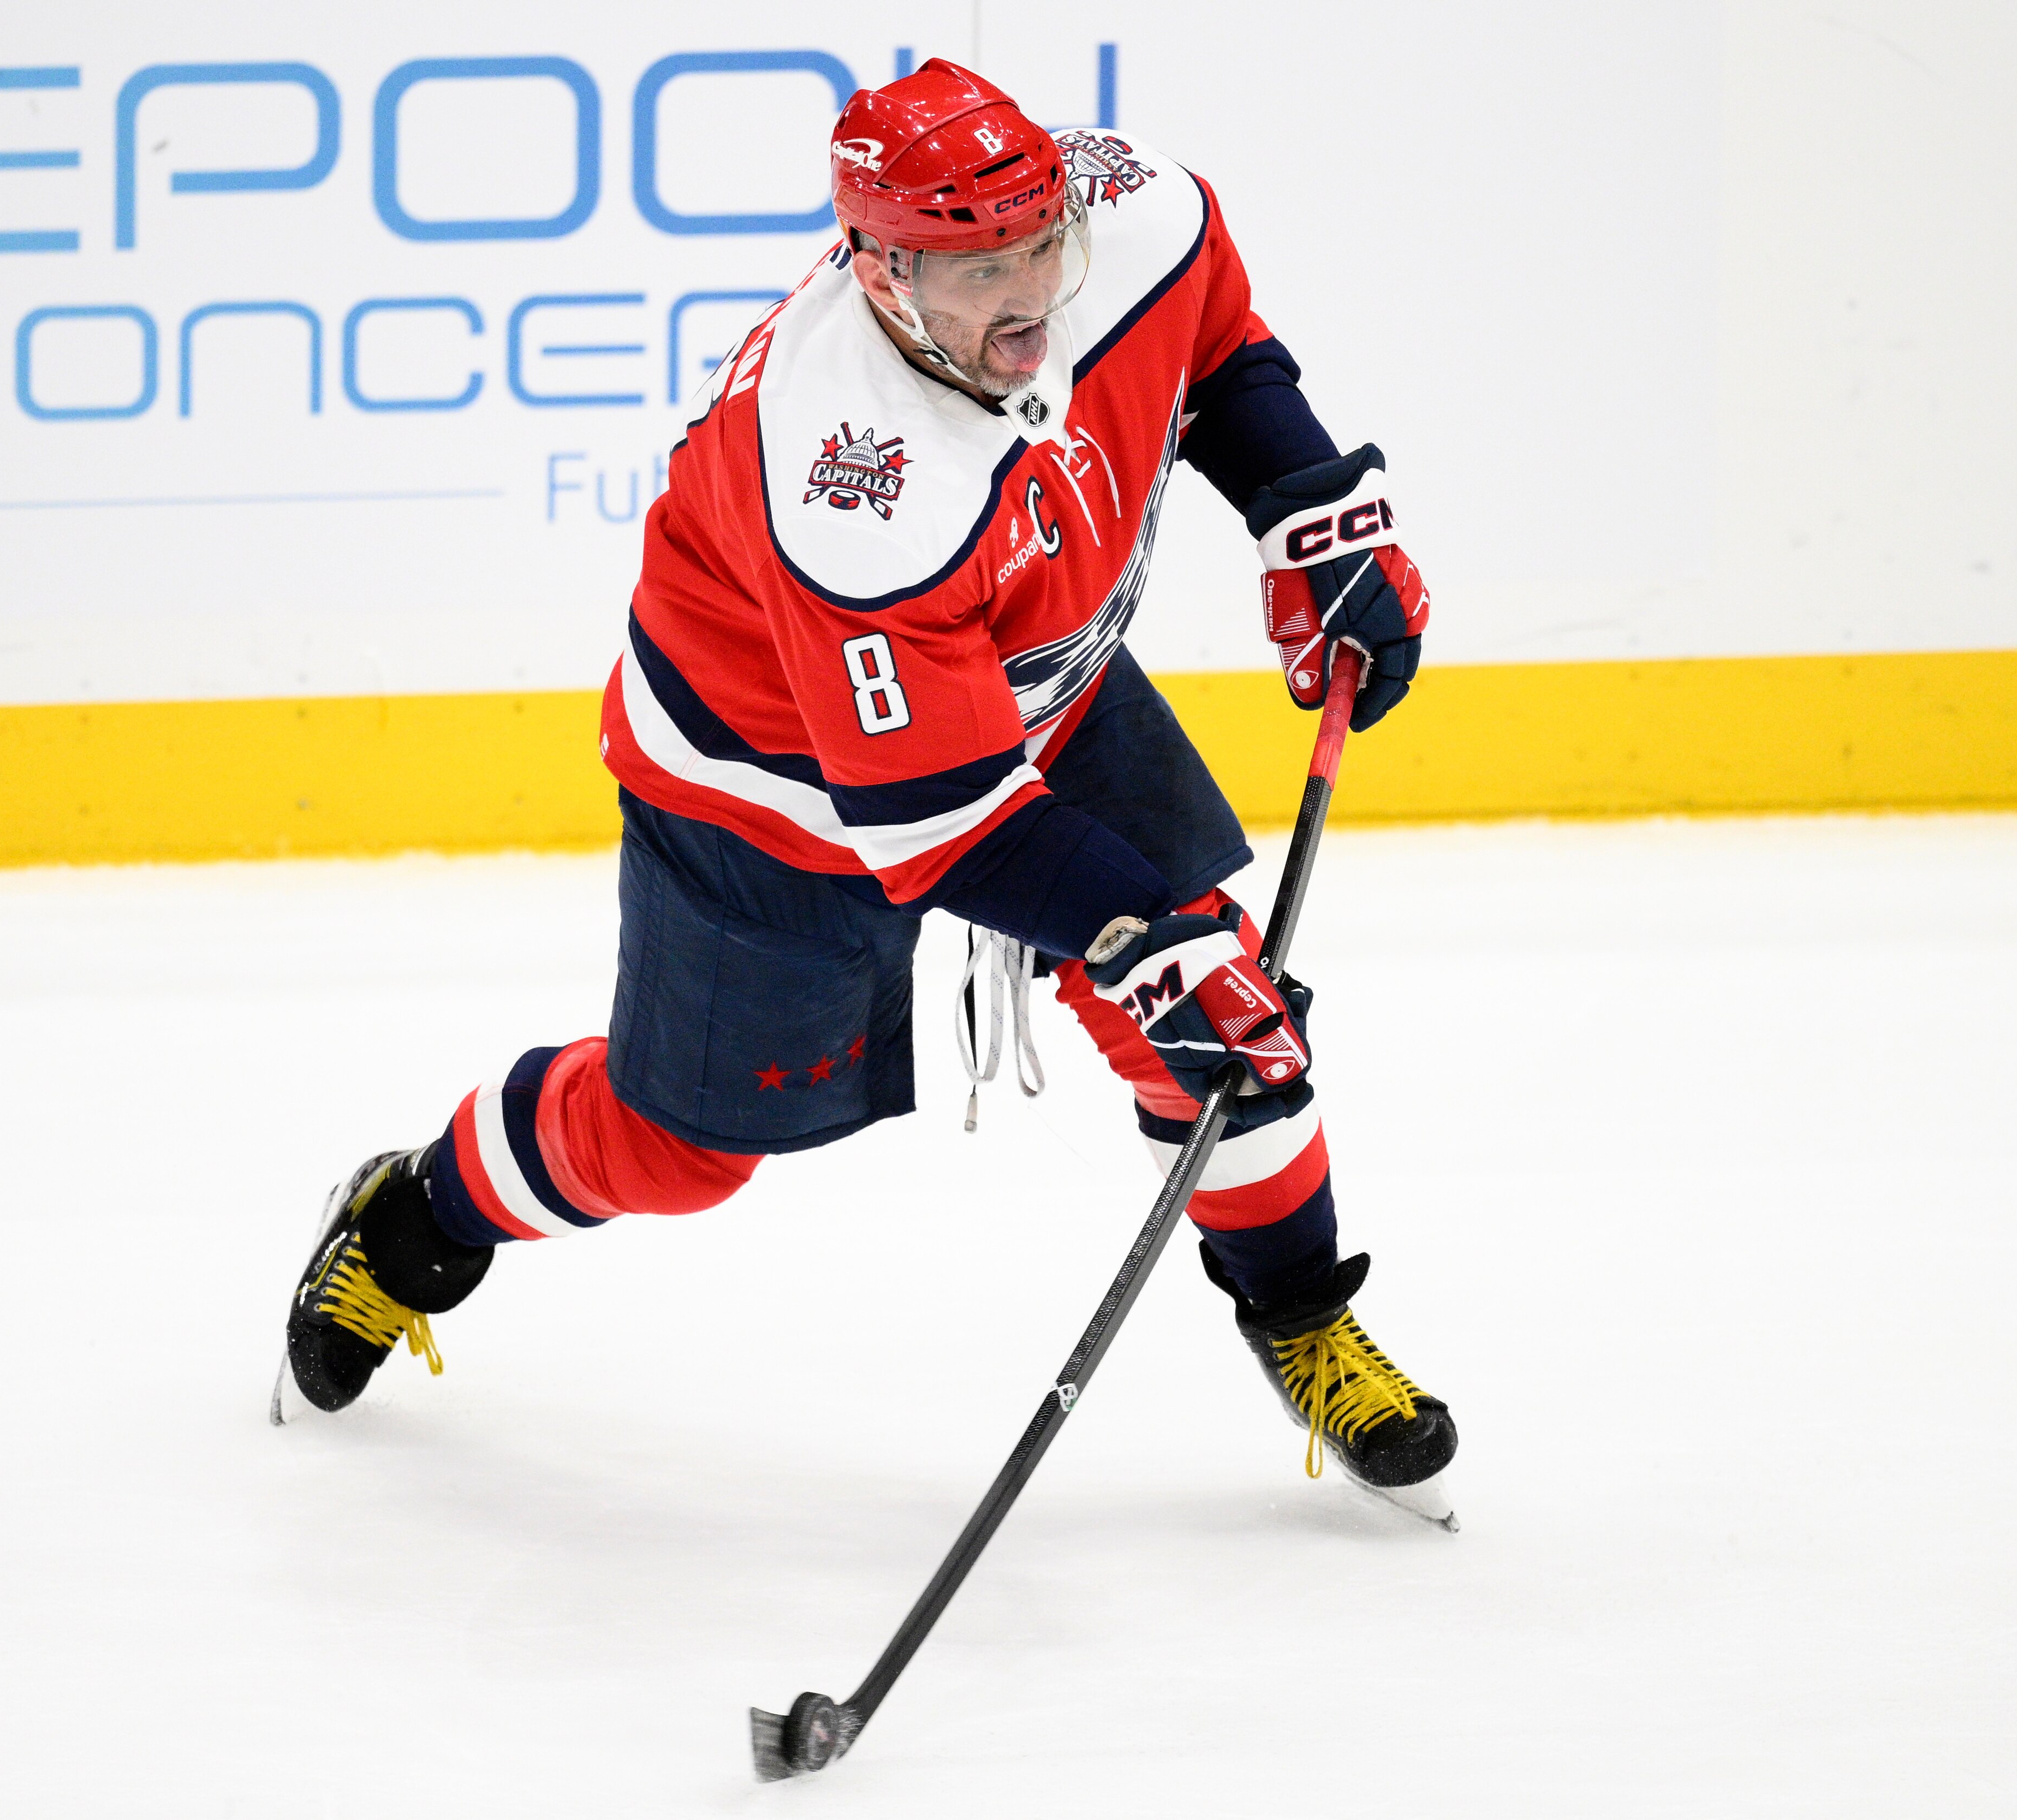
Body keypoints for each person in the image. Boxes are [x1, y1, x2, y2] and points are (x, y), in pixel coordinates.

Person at [275, 61, 1453, 1508]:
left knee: (1222, 1030)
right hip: (769, 780)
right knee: (680, 1152)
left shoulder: (1135, 213)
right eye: (979, 272)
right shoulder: (849, 477)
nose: (1030, 296)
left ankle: (1302, 1313)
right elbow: (941, 821)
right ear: (884, 273)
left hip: (1034, 679)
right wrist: (1152, 942)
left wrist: (1311, 513)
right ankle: (415, 1217)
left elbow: (1213, 349)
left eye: (1041, 248)